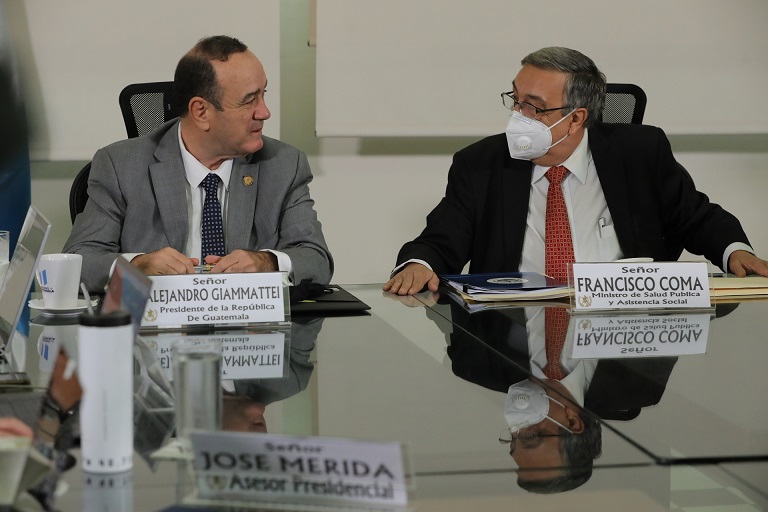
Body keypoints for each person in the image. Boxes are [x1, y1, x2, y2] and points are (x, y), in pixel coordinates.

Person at [384, 47, 768, 296]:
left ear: (576, 118)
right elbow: (441, 240)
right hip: (513, 335)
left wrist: (735, 251)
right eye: (516, 100)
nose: (519, 116)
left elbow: (697, 217)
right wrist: (419, 263)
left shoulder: (640, 153)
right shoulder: (481, 163)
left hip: (622, 336)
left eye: (535, 107)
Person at [64, 35, 332, 292]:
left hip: (248, 322)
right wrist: (136, 265)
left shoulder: (284, 165)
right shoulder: (120, 166)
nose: (264, 112)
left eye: (264, 94)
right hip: (156, 321)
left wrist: (268, 262)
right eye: (250, 100)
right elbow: (78, 261)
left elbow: (316, 259)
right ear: (201, 112)